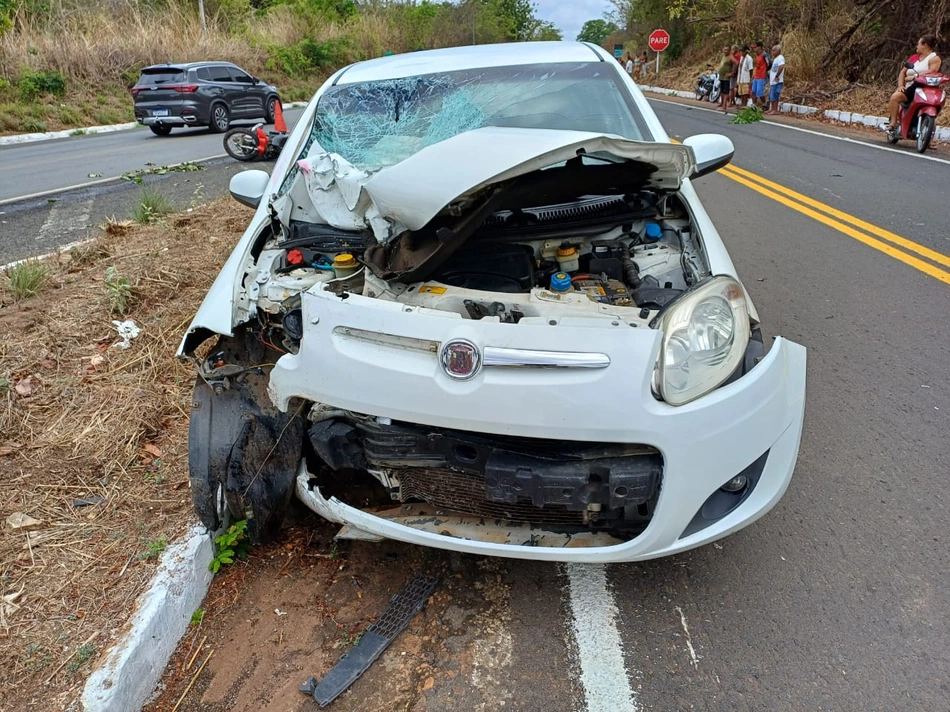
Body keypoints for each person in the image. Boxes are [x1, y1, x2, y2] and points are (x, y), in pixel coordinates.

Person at [884, 35, 942, 130]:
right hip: (911, 88)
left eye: (918, 44)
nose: (917, 46)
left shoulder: (934, 58)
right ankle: (893, 122)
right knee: (895, 97)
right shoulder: (914, 58)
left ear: (925, 45)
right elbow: (903, 72)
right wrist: (900, 85)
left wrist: (915, 76)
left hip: (926, 88)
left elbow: (932, 71)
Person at [765, 45, 785, 114]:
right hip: (773, 81)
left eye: (774, 50)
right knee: (771, 96)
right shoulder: (776, 58)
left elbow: (781, 66)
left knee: (775, 95)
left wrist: (777, 75)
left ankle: (775, 110)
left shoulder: (780, 58)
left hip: (777, 81)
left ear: (778, 51)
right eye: (772, 50)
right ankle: (771, 108)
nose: (772, 52)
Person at [717, 45, 736, 113]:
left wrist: (732, 73)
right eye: (724, 49)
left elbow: (736, 63)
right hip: (721, 76)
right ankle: (722, 103)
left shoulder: (730, 56)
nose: (725, 51)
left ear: (729, 50)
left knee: (726, 92)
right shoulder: (724, 56)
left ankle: (724, 106)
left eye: (727, 50)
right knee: (722, 91)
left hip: (726, 78)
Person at [751, 41, 768, 108]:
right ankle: (754, 105)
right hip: (756, 76)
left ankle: (764, 104)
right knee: (753, 91)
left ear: (759, 47)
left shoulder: (764, 55)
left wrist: (765, 71)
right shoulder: (756, 55)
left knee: (760, 92)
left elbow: (769, 63)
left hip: (762, 76)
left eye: (755, 47)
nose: (754, 49)